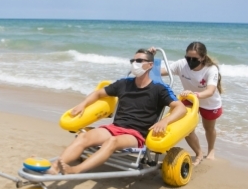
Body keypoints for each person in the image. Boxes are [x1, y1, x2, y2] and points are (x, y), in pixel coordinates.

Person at [49, 49, 187, 174]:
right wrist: (82, 104)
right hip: (114, 127)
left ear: (150, 65)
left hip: (136, 134)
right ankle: (55, 168)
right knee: (83, 137)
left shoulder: (159, 89)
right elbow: (98, 94)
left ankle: (75, 170)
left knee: (112, 141)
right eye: (133, 61)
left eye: (139, 61)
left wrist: (165, 121)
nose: (135, 64)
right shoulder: (124, 84)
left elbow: (180, 108)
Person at [158, 41, 223, 165]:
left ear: (203, 57)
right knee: (186, 128)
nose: (190, 61)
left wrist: (196, 95)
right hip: (190, 98)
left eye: (195, 59)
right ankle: (199, 153)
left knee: (208, 128)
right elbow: (161, 72)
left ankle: (211, 150)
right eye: (188, 58)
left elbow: (210, 91)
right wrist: (149, 59)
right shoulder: (182, 64)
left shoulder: (211, 69)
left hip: (209, 102)